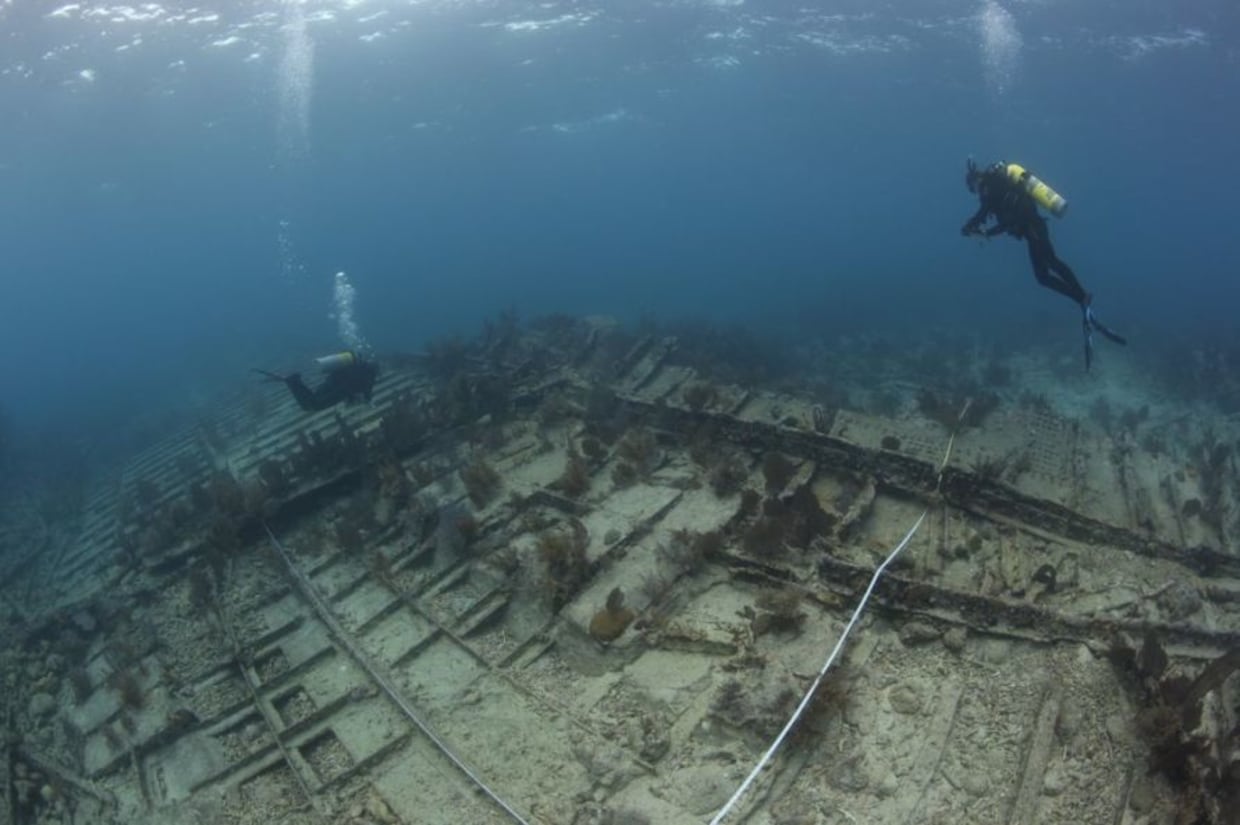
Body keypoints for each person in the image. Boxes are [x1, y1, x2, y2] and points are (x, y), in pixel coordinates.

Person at [961, 158, 1126, 369]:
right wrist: (976, 228)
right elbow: (990, 215)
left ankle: (1082, 297)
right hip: (1031, 230)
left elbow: (986, 214)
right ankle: (1081, 298)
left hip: (1033, 227)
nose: (977, 193)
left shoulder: (992, 186)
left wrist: (974, 228)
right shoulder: (995, 188)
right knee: (1042, 276)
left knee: (1051, 262)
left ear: (976, 181)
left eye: (973, 189)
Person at [254, 351, 379, 412]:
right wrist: (368, 402)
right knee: (313, 406)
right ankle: (293, 381)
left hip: (330, 383)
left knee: (311, 402)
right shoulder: (369, 376)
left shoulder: (356, 366)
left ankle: (294, 381)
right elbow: (367, 395)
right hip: (338, 391)